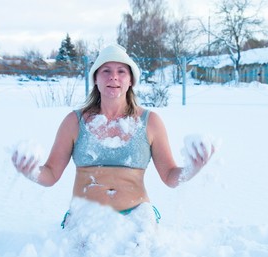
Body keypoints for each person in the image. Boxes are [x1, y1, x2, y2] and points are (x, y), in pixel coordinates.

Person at [12, 44, 215, 228]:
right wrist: (31, 171)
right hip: (84, 222)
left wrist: (193, 167)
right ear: (96, 79)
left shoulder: (150, 122)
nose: (113, 77)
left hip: (137, 222)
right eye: (106, 71)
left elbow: (171, 177)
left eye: (121, 72)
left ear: (131, 81)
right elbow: (50, 174)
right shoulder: (74, 122)